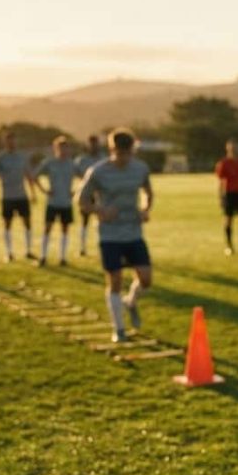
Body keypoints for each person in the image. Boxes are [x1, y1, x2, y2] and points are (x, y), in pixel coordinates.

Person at [78, 128, 153, 343]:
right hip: (109, 235)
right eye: (119, 154)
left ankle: (130, 302)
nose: (123, 158)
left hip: (133, 232)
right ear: (111, 150)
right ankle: (118, 329)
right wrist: (99, 211)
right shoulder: (98, 171)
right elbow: (82, 201)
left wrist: (145, 209)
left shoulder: (140, 169)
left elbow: (148, 192)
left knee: (146, 279)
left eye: (127, 153)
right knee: (116, 280)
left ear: (133, 150)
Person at [0, 130, 38, 262]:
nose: (11, 142)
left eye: (13, 140)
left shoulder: (22, 157)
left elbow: (28, 176)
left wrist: (33, 193)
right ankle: (9, 252)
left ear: (16, 141)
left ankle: (28, 251)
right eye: (8, 140)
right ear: (5, 142)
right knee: (7, 224)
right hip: (8, 197)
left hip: (22, 196)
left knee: (27, 223)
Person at [34, 136, 75, 266]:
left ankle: (62, 257)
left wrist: (75, 191)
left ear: (68, 149)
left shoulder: (72, 164)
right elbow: (34, 176)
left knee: (65, 229)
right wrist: (44, 190)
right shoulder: (49, 163)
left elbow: (86, 177)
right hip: (52, 202)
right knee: (47, 228)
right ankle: (43, 256)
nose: (63, 150)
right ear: (55, 149)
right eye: (60, 148)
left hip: (66, 203)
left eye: (65, 148)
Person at [74, 134, 107, 256]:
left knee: (101, 220)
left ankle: (102, 246)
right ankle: (82, 247)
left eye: (96, 144)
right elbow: (76, 173)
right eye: (92, 144)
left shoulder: (103, 158)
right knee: (84, 221)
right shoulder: (81, 160)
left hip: (100, 194)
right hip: (87, 194)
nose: (94, 146)